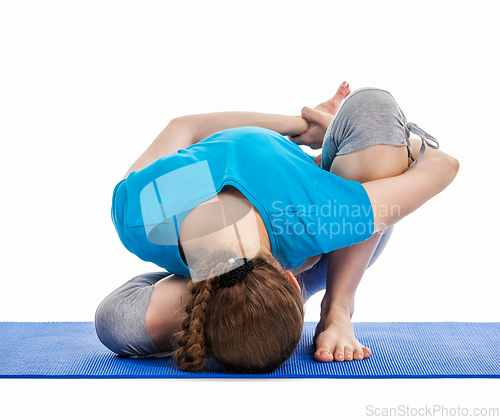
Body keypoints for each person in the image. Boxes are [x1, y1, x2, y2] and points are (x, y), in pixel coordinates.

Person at [95, 82, 459, 374]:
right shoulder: (322, 216)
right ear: (291, 277)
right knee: (375, 119)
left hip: (333, 234)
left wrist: (304, 128)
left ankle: (337, 307)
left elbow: (185, 127)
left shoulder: (144, 212)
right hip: (329, 229)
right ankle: (268, 311)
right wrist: (314, 127)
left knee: (117, 323)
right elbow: (443, 164)